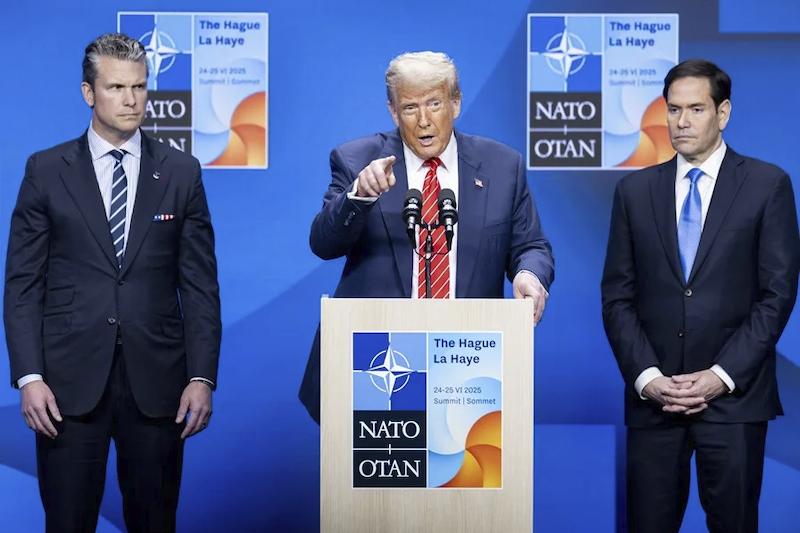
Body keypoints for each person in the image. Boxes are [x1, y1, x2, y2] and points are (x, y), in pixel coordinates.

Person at [3, 33, 222, 533]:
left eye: (139, 87)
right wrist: (29, 377)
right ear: (89, 92)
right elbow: (22, 285)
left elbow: (200, 286)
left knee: (155, 522)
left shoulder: (182, 172)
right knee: (67, 522)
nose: (131, 99)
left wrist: (202, 377)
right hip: (66, 387)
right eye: (117, 87)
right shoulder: (45, 171)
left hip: (159, 385)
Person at [298, 51, 555, 424]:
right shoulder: (357, 160)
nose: (423, 120)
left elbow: (530, 245)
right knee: (382, 463)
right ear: (393, 112)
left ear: (456, 103)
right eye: (409, 108)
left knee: (463, 460)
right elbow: (323, 244)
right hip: (377, 362)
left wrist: (529, 274)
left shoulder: (502, 166)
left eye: (434, 104)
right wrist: (358, 196)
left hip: (466, 362)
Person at [601, 58, 800, 533]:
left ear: (722, 113)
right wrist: (648, 378)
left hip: (734, 402)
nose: (682, 121)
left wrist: (720, 376)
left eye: (696, 109)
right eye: (673, 110)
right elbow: (617, 298)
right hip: (655, 402)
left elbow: (776, 295)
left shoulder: (767, 185)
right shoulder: (634, 192)